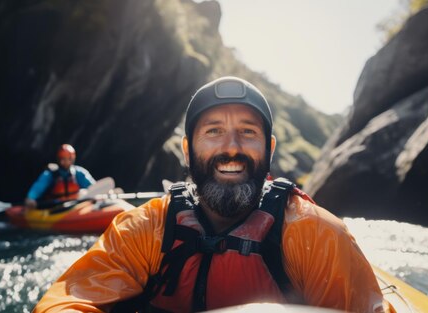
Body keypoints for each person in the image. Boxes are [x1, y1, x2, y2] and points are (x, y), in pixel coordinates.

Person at [33, 77, 390, 313]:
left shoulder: (316, 236)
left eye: (248, 132)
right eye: (214, 131)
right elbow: (64, 303)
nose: (231, 147)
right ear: (188, 150)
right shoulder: (143, 230)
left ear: (270, 148)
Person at [24, 144, 95, 209]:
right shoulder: (50, 174)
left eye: (68, 159)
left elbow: (94, 187)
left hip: (75, 206)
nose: (64, 162)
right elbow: (37, 189)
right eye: (62, 159)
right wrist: (30, 199)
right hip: (55, 208)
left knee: (83, 192)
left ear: (72, 159)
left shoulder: (79, 173)